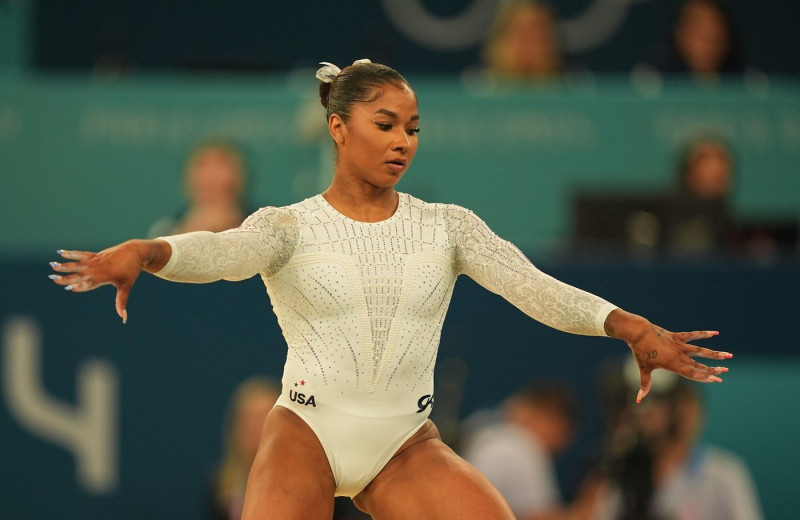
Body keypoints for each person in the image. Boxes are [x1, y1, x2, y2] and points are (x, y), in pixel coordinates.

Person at [49, 59, 731, 520]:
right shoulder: (289, 227)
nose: (403, 141)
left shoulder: (448, 227)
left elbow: (534, 288)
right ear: (338, 129)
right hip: (306, 431)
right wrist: (148, 251)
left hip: (404, 443)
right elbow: (222, 253)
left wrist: (625, 324)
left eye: (412, 128)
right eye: (385, 125)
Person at [590, 361, 763, 520]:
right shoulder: (618, 475)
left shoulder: (723, 476)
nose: (641, 412)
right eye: (634, 400)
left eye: (655, 399)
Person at [461, 380, 599, 520]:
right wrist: (591, 501)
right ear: (551, 419)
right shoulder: (520, 446)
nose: (566, 442)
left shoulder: (489, 432)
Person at [208, 377, 280, 520]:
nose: (256, 428)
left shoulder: (310, 482)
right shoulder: (220, 488)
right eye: (249, 419)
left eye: (264, 417)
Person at [147, 140, 250, 238]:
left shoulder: (263, 225)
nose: (212, 176)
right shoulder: (166, 229)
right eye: (202, 165)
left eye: (221, 164)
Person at [475, 0, 566, 84]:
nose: (532, 48)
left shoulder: (571, 91)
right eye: (524, 37)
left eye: (540, 39)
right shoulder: (476, 90)